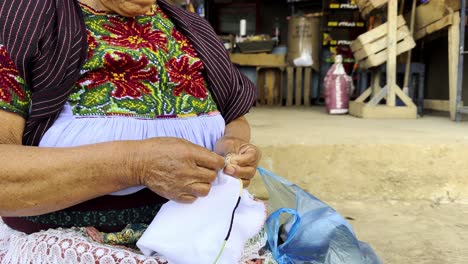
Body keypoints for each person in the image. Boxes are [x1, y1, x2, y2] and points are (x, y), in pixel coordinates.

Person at [0, 0, 272, 262]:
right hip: (69, 249)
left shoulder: (192, 28)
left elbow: (233, 116)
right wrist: (135, 164)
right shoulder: (25, 18)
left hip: (203, 243)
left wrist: (232, 144)